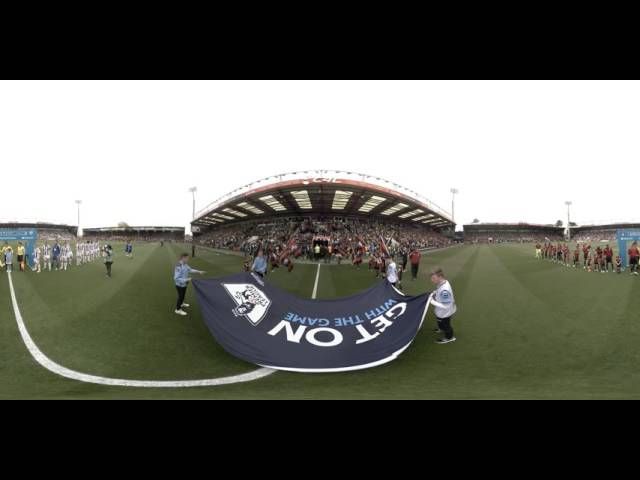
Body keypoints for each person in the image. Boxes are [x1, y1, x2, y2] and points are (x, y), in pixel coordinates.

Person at [428, 267, 457, 344]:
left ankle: (449, 337)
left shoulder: (445, 290)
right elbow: (439, 290)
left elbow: (446, 306)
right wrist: (436, 292)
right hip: (442, 311)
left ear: (440, 277)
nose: (432, 280)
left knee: (446, 325)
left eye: (433, 278)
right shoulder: (443, 282)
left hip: (445, 312)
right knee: (440, 322)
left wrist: (432, 301)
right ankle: (441, 328)